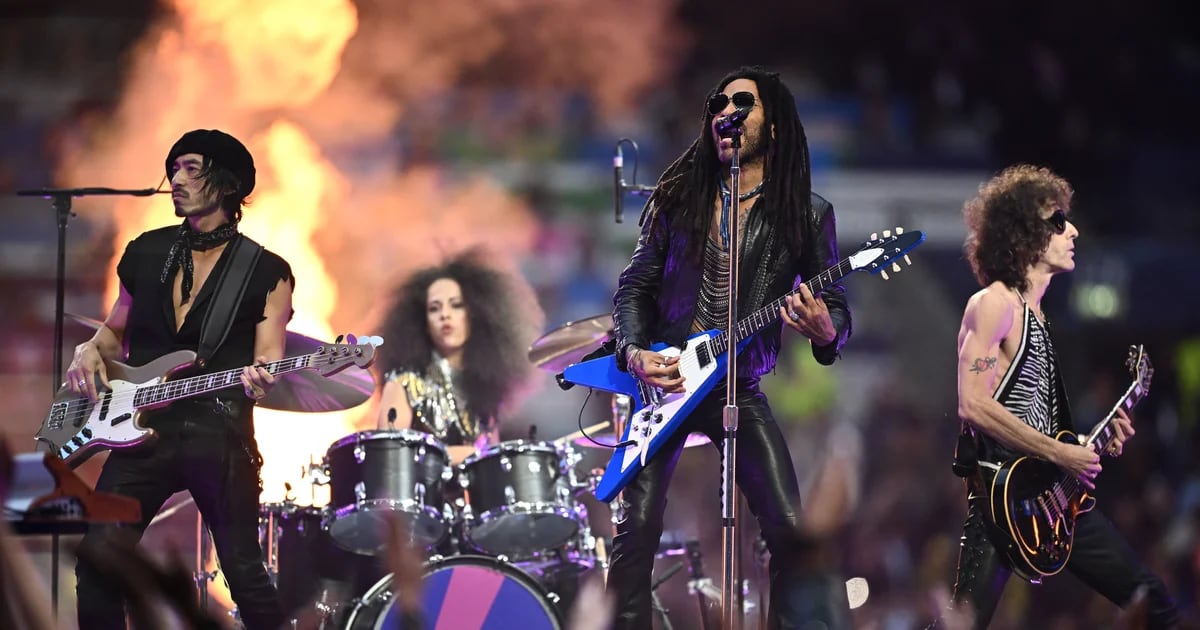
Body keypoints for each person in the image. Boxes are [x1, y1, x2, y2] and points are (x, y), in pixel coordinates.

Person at [608, 65, 853, 628]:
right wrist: (635, 355)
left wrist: (826, 331)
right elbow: (635, 287)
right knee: (636, 528)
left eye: (744, 102)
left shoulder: (806, 215)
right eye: (719, 102)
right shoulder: (678, 197)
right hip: (663, 384)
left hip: (738, 388)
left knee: (788, 531)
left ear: (773, 126)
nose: (726, 110)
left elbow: (835, 308)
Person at [68, 129, 292, 629]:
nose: (176, 179)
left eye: (192, 168)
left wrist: (261, 379)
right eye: (173, 168)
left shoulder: (266, 270)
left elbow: (269, 359)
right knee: (98, 560)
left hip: (219, 433)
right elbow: (111, 334)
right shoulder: (146, 252)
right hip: (141, 434)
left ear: (228, 184)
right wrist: (88, 351)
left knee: (243, 572)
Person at [942, 164, 1177, 628]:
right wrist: (1062, 453)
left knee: (1155, 605)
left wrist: (1093, 443)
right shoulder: (993, 304)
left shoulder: (1041, 319)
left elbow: (1035, 420)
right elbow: (973, 404)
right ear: (1025, 232)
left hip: (1055, 505)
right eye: (1057, 221)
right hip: (1002, 504)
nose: (1073, 230)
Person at [375, 248, 543, 465]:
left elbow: (491, 465)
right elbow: (391, 458)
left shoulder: (486, 390)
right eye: (434, 309)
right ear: (421, 322)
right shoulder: (404, 383)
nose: (445, 314)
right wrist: (462, 456)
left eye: (457, 305)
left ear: (477, 314)